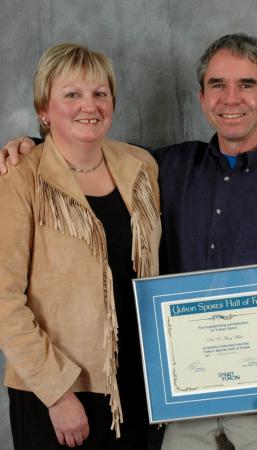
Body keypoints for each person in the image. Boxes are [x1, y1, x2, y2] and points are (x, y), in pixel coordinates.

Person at [0, 34, 257, 450]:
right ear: (201, 97)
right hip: (179, 398)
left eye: (246, 85)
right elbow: (82, 152)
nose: (231, 98)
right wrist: (33, 147)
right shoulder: (168, 168)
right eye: (217, 85)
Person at [0, 43, 162, 449]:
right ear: (44, 109)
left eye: (99, 93)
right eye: (71, 94)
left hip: (137, 386)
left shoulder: (141, 166)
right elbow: (3, 299)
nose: (88, 105)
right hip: (57, 392)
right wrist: (56, 392)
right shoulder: (21, 177)